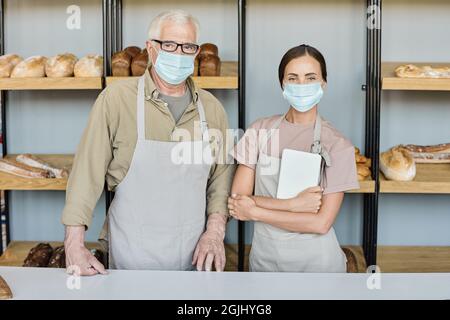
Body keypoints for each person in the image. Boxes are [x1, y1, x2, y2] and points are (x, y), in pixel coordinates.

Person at [61, 10, 234, 275]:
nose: (179, 53)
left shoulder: (212, 109)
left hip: (196, 256)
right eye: (169, 45)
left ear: (196, 52)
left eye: (188, 46)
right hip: (131, 253)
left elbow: (221, 180)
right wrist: (74, 244)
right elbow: (86, 174)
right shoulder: (117, 100)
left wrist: (214, 233)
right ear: (151, 48)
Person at [228, 44, 360, 272]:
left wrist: (256, 210)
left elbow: (321, 223)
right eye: (293, 78)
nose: (301, 85)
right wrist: (293, 205)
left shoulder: (338, 145)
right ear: (282, 84)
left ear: (323, 84)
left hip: (317, 265)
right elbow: (238, 201)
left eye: (311, 78)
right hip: (264, 261)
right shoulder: (259, 131)